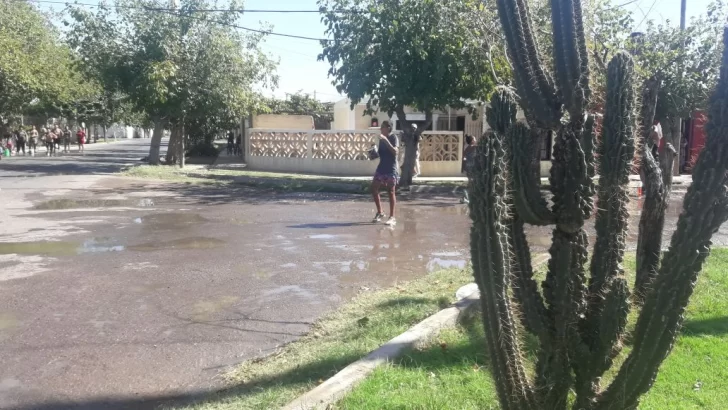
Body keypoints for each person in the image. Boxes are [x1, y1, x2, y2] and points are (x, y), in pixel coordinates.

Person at [371, 120, 399, 226]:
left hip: (391, 169)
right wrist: (373, 152)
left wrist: (386, 140)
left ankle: (392, 217)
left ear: (388, 128)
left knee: (391, 191)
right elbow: (381, 154)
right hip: (381, 168)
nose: (380, 129)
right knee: (374, 188)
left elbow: (395, 152)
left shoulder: (393, 138)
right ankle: (380, 212)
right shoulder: (381, 139)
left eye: (382, 127)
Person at [461, 135, 477, 204]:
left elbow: (464, 159)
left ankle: (465, 197)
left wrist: (463, 167)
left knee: (471, 182)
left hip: (468, 167)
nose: (476, 140)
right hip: (472, 167)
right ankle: (465, 196)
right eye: (475, 138)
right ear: (472, 140)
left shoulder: (466, 149)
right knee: (471, 183)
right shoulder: (474, 147)